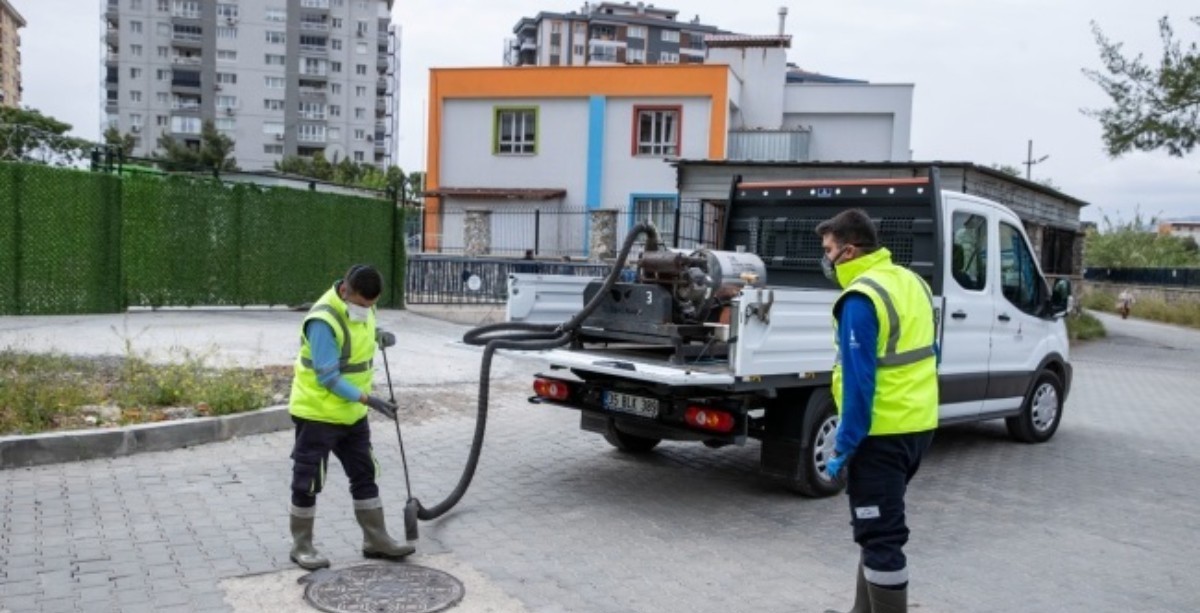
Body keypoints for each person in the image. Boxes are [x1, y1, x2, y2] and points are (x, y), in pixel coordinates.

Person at [817, 209, 938, 613]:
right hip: (917, 426)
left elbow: (858, 381)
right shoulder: (912, 282)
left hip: (879, 434)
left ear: (849, 251)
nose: (827, 259)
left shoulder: (861, 297)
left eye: (829, 250)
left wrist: (844, 445)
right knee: (874, 529)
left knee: (882, 537)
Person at [286, 264, 414, 570]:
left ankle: (376, 539)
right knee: (308, 481)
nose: (366, 310)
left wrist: (379, 335)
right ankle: (302, 546)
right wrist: (371, 401)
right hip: (318, 413)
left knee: (364, 473)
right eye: (361, 304)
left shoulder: (365, 306)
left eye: (371, 306)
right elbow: (328, 378)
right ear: (345, 291)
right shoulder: (323, 321)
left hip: (352, 414)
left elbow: (361, 333)